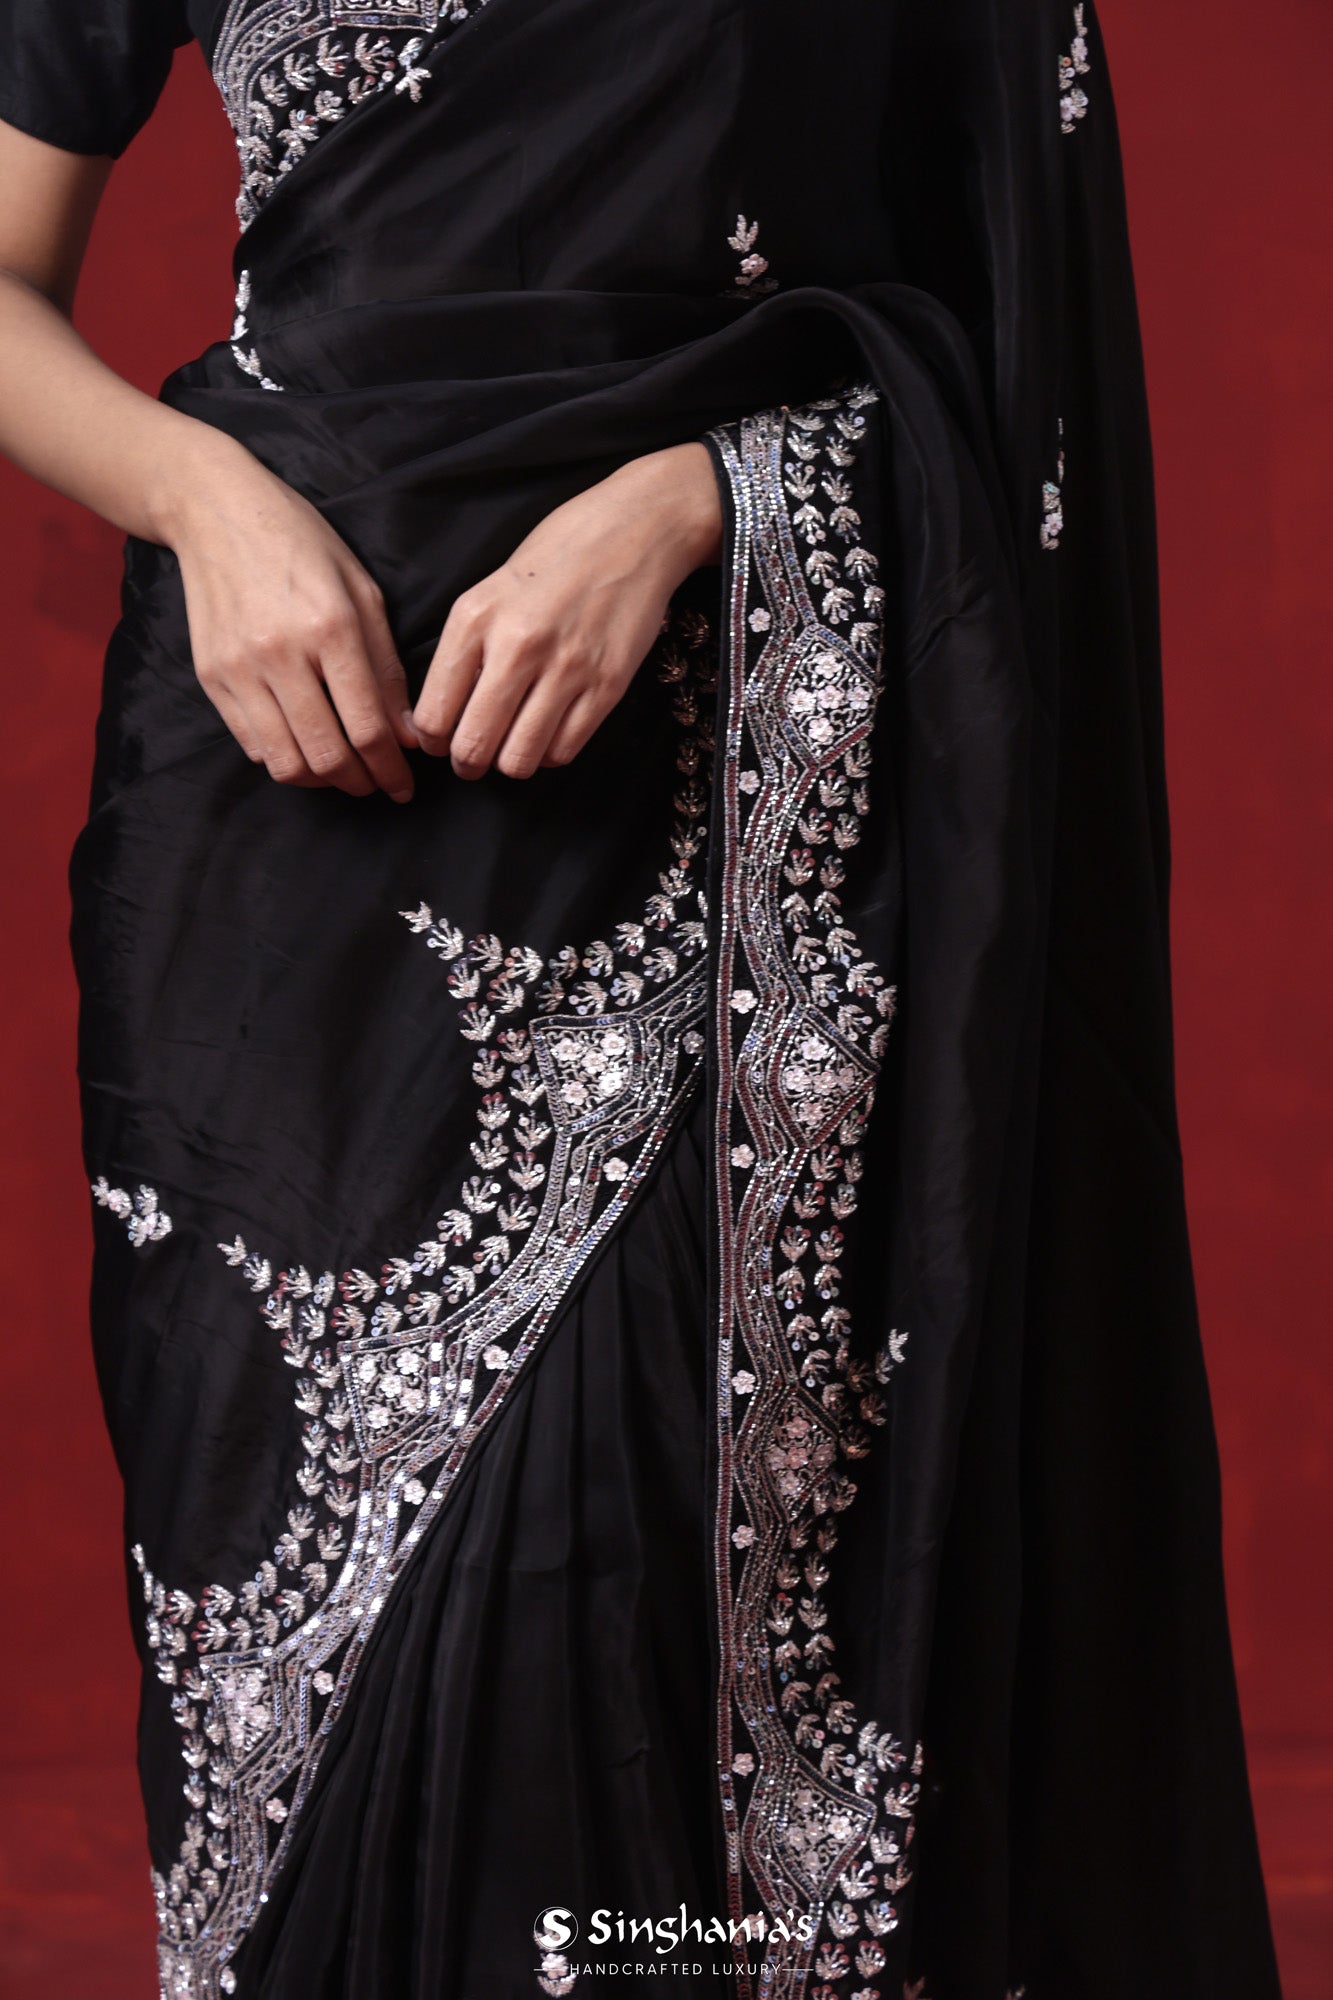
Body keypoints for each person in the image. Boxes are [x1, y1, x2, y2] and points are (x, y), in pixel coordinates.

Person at [0, 4, 1285, 1999]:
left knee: (663, 1566)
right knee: (292, 1589)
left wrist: (704, 494)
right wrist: (203, 503)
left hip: (741, 788)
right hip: (281, 780)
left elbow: (1010, 351)